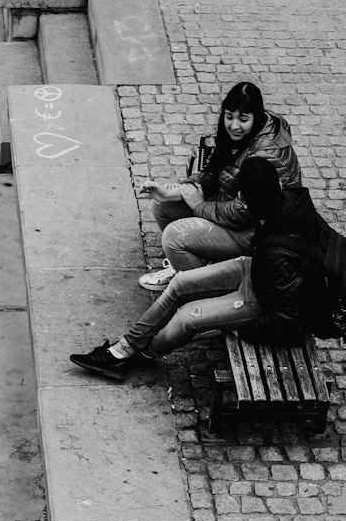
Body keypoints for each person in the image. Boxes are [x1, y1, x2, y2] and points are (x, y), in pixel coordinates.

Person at [70, 158, 326, 382]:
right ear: (278, 186)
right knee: (180, 283)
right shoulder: (289, 200)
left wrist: (242, 330)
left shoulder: (279, 251)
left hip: (261, 300)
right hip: (256, 270)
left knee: (184, 320)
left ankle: (140, 354)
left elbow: (286, 316)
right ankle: (124, 347)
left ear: (246, 201)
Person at [137, 81, 302, 291]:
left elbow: (244, 212)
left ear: (256, 117)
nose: (234, 125)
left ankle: (205, 293)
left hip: (258, 231)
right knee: (163, 206)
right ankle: (184, 268)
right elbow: (214, 172)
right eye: (229, 116)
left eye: (243, 119)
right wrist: (171, 192)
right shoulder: (243, 134)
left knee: (174, 238)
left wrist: (199, 206)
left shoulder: (266, 156)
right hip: (232, 205)